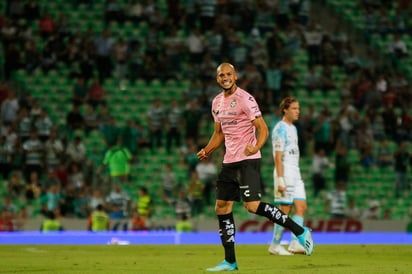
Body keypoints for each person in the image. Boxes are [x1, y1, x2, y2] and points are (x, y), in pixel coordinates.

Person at [197, 63, 313, 272]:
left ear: (235, 76)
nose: (225, 77)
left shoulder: (245, 99)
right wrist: (207, 150)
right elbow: (219, 133)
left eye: (229, 74)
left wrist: (255, 147)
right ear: (217, 79)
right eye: (221, 75)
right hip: (229, 161)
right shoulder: (216, 102)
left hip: (248, 159)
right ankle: (230, 261)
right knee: (221, 206)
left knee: (251, 206)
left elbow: (263, 129)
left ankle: (299, 230)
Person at [268, 96, 308, 256]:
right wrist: (280, 179)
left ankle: (295, 243)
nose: (298, 112)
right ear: (285, 109)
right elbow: (277, 157)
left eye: (298, 109)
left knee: (301, 207)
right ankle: (275, 245)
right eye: (294, 108)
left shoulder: (293, 128)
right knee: (284, 210)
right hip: (284, 171)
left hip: (295, 171)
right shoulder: (280, 128)